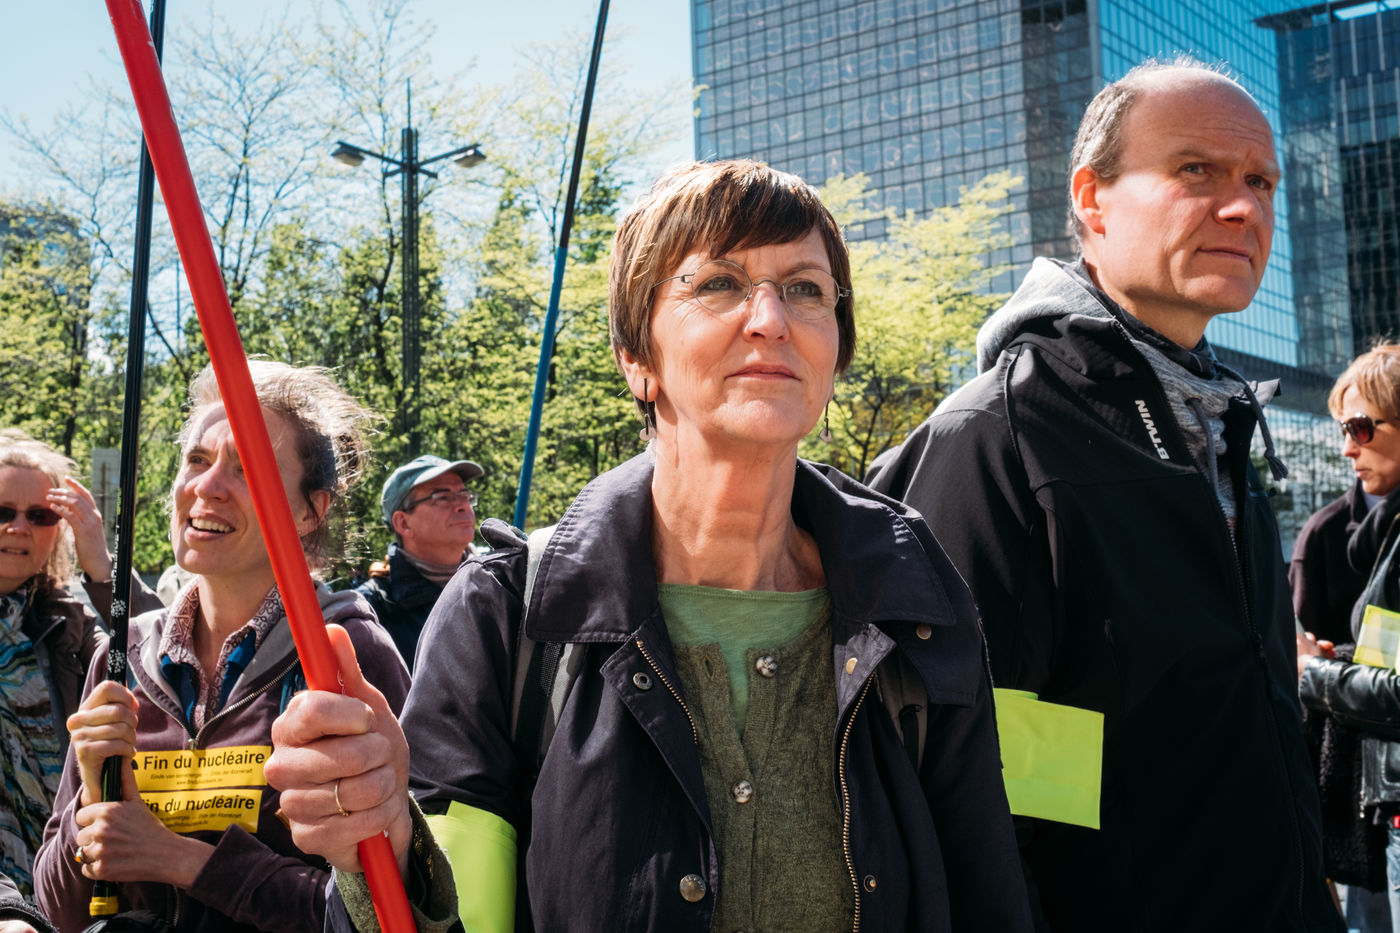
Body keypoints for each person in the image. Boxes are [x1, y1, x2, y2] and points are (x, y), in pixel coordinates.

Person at [265, 159, 1033, 932]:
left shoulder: (917, 599)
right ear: (637, 357)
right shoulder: (504, 617)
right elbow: (454, 915)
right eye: (720, 283)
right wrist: (388, 844)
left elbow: (988, 897)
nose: (771, 318)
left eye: (806, 288)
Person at [866, 60, 1340, 931]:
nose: (1243, 207)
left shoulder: (1225, 428)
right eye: (1196, 170)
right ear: (1093, 199)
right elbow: (950, 786)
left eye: (1260, 181)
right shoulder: (995, 436)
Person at [32, 362, 411, 932]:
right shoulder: (122, 656)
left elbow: (383, 911)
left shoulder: (346, 654)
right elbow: (58, 912)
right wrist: (91, 796)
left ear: (311, 511)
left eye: (248, 468)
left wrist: (184, 861)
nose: (208, 487)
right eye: (197, 460)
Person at [0, 429, 159, 901]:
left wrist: (102, 567)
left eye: (40, 515)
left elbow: (160, 676)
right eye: (3, 511)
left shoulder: (69, 623)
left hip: (63, 880)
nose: (19, 527)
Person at [1292, 347, 1400, 931]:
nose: (1346, 447)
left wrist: (1315, 673)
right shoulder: (1349, 530)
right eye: (1342, 430)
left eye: (1360, 427)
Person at [355, 455, 484, 668]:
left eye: (465, 495)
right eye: (443, 497)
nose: (463, 505)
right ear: (403, 523)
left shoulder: (500, 583)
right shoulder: (370, 612)